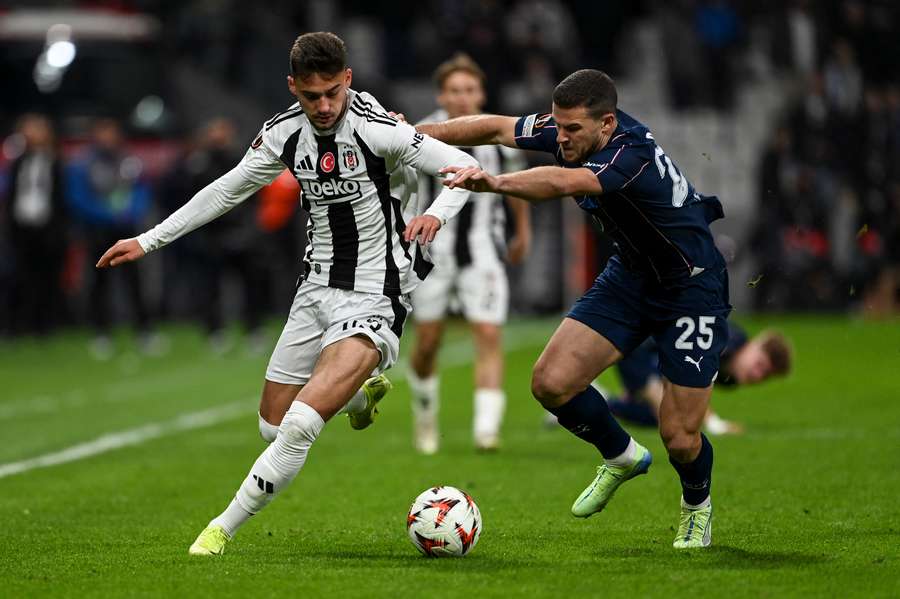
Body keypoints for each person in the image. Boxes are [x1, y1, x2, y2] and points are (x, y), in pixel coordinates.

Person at [96, 32, 478, 556]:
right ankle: (359, 394)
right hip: (316, 285)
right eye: (310, 95)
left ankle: (219, 529)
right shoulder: (282, 135)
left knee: (299, 425)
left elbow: (463, 167)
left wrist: (434, 212)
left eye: (332, 93)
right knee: (270, 426)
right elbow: (228, 189)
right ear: (292, 87)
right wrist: (148, 239)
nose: (323, 107)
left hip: (376, 289)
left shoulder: (379, 128)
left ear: (347, 80)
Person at [418, 69, 731, 548]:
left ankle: (696, 508)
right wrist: (415, 134)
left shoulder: (631, 154)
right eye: (557, 127)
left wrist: (496, 182)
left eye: (571, 131)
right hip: (630, 277)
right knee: (551, 383)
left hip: (691, 287)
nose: (559, 137)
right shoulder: (574, 128)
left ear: (606, 124)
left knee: (680, 436)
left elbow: (565, 183)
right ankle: (622, 455)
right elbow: (496, 126)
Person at [407, 54, 531, 454]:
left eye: (470, 89)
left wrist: (522, 231)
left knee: (489, 334)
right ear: (442, 94)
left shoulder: (500, 134)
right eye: (454, 90)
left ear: (481, 92)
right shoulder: (420, 135)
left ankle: (486, 431)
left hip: (483, 252)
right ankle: (425, 417)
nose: (462, 97)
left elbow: (517, 184)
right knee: (427, 343)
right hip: (431, 254)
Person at [66, 118, 157, 359]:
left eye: (111, 131)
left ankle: (144, 332)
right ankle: (101, 333)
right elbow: (78, 198)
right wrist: (106, 215)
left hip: (128, 231)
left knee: (135, 282)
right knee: (98, 284)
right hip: (98, 232)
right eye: (103, 132)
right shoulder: (83, 163)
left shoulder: (130, 160)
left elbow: (142, 190)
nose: (107, 137)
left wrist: (130, 212)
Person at [604, 323, 793, 434]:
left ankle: (602, 401)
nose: (757, 376)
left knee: (661, 416)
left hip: (650, 354)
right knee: (674, 418)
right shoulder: (729, 340)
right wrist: (713, 422)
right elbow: (688, 373)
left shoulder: (730, 376)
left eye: (765, 375)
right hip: (637, 342)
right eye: (759, 365)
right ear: (754, 344)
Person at [2, 114, 68, 336]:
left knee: (46, 278)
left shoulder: (56, 161)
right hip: (21, 228)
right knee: (18, 277)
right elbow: (12, 194)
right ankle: (15, 325)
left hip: (47, 228)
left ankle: (44, 326)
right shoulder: (18, 161)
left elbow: (61, 198)